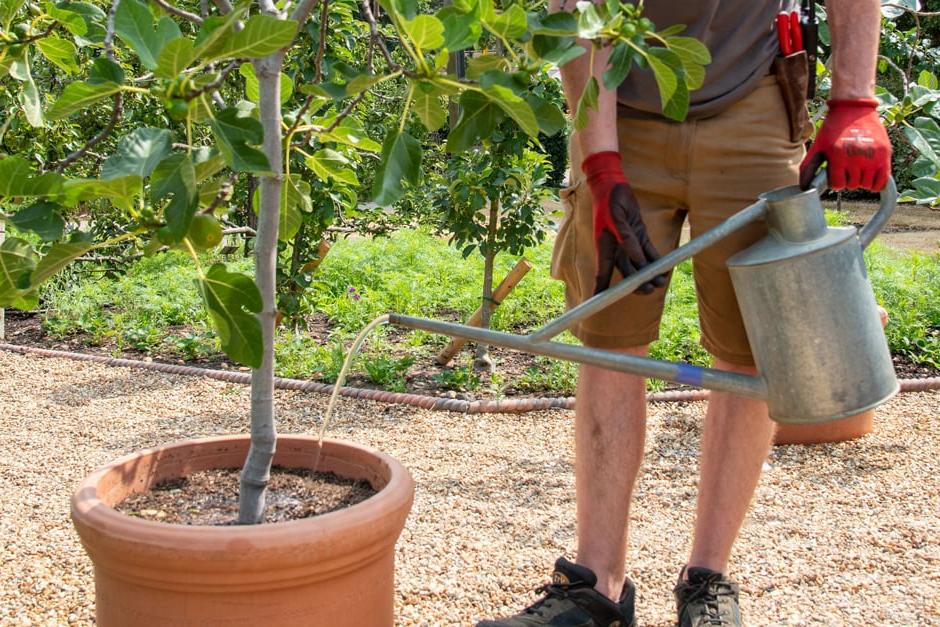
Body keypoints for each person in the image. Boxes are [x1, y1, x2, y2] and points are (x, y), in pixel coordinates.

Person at [476, 1, 891, 626]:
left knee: (754, 344)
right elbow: (579, 15)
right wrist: (601, 165)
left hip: (754, 103)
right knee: (608, 341)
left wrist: (855, 102)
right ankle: (598, 587)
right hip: (623, 107)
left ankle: (708, 581)